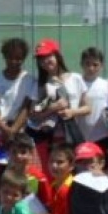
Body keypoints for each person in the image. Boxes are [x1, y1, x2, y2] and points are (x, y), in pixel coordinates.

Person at [26, 39, 89, 170]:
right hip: (49, 139)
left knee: (76, 173)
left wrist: (72, 112)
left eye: (48, 56)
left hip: (72, 136)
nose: (45, 61)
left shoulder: (76, 78)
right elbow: (32, 114)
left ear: (57, 56)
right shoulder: (40, 84)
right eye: (41, 58)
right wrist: (53, 108)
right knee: (51, 175)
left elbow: (88, 107)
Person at [0, 37, 34, 165]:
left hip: (19, 133)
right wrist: (3, 128)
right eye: (10, 57)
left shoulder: (28, 80)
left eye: (18, 58)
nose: (14, 61)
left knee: (18, 169)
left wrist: (13, 131)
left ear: (23, 59)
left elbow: (26, 107)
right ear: (4, 57)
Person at [76, 47, 108, 155]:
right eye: (87, 64)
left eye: (95, 64)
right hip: (79, 137)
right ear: (81, 64)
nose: (91, 68)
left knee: (103, 169)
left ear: (102, 65)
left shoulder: (106, 85)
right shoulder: (75, 84)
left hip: (102, 137)